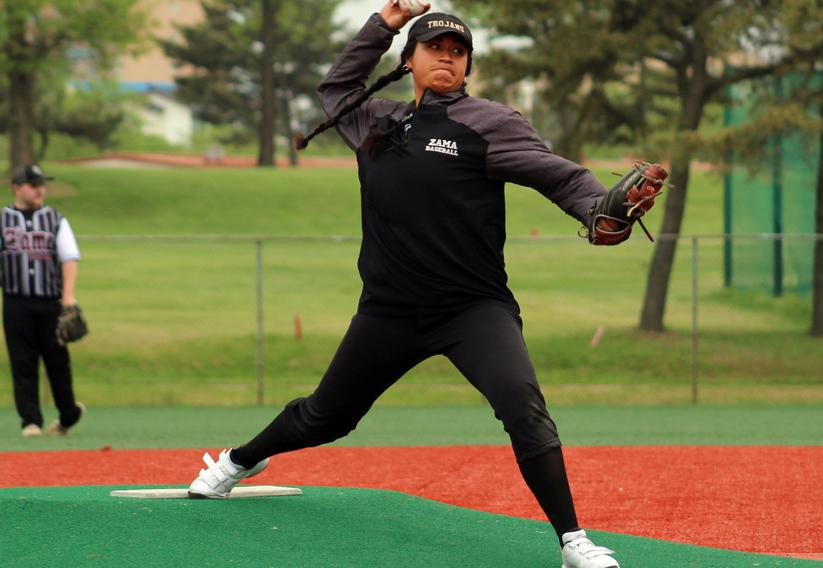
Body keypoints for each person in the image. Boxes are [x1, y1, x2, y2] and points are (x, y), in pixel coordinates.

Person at [188, 3, 661, 567]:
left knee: (523, 407)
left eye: (458, 52)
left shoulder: (489, 123)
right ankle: (240, 460)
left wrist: (595, 209)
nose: (447, 57)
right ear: (409, 59)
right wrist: (384, 23)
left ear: (467, 68)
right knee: (327, 416)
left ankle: (573, 542)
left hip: (472, 309)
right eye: (435, 47)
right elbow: (336, 87)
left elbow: (557, 173)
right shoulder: (375, 120)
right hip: (389, 311)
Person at [2, 163, 85, 437]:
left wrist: (68, 297)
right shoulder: (3, 219)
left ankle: (68, 413)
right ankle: (31, 421)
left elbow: (69, 258)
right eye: (33, 184)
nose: (40, 189)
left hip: (50, 302)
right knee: (22, 361)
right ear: (17, 188)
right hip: (15, 302)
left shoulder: (55, 219)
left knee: (56, 361)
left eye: (42, 184)